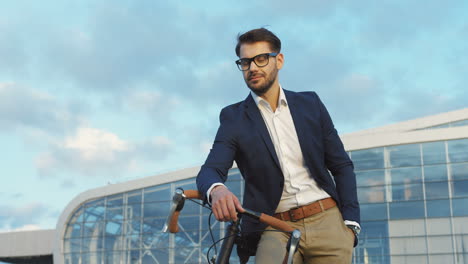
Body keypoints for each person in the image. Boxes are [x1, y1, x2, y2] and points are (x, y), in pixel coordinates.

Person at [196, 28, 360, 264]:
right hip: (274, 225)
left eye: (260, 59)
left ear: (279, 60)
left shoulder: (310, 104)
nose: (252, 68)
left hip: (327, 220)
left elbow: (341, 165)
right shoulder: (234, 118)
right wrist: (217, 189)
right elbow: (209, 170)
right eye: (245, 62)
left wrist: (351, 224)